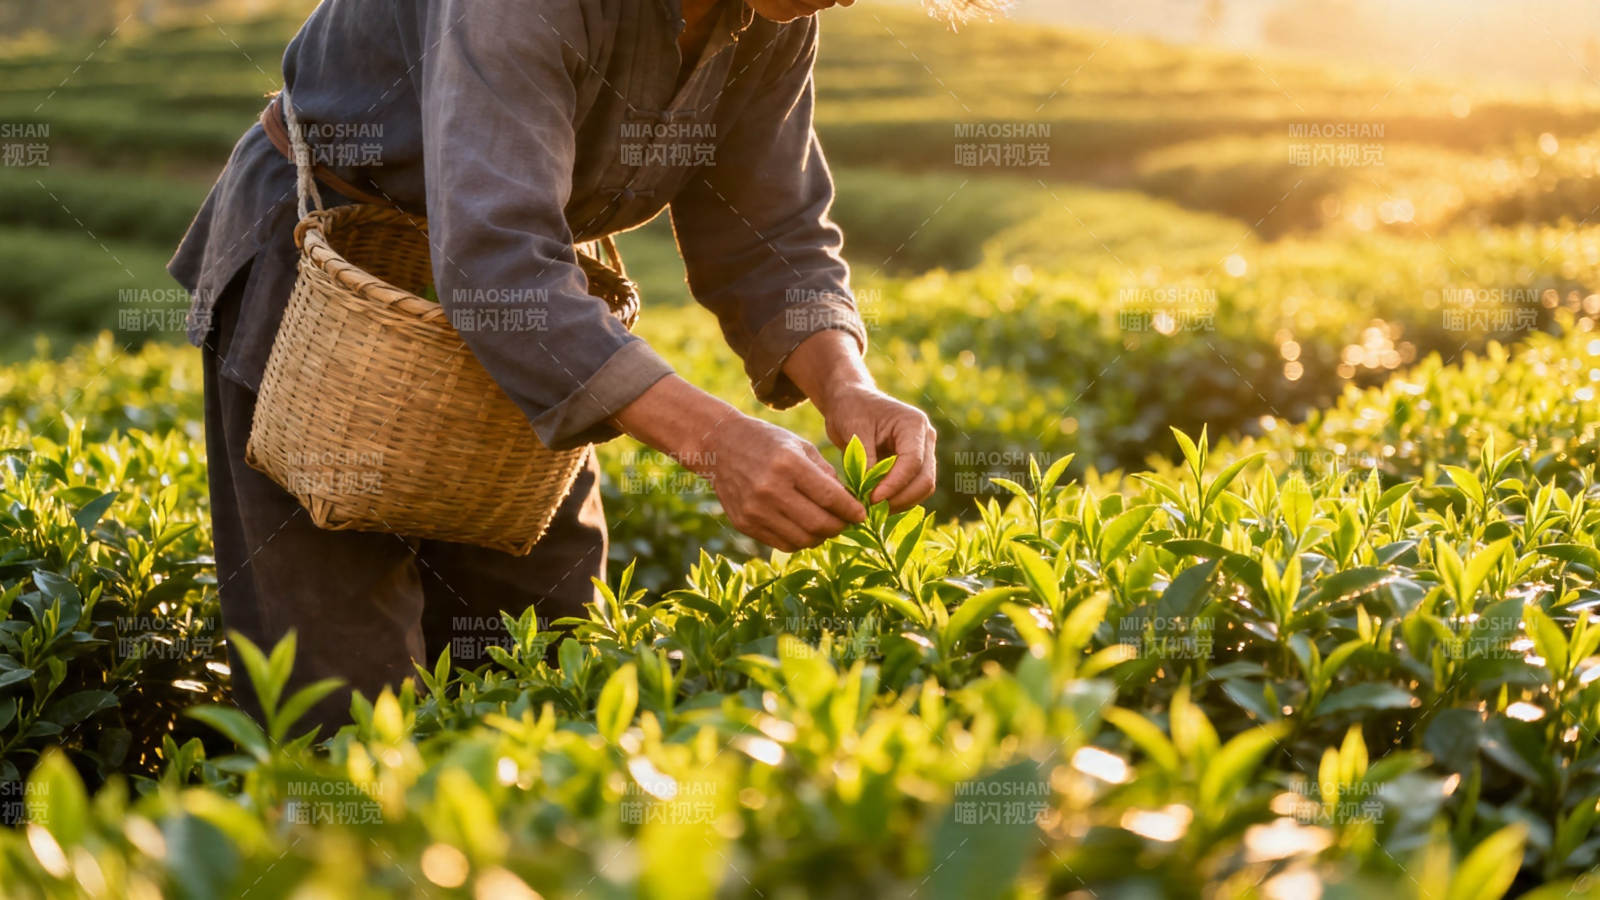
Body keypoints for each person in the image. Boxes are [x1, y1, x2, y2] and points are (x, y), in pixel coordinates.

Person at [169, 0, 949, 733]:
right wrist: (718, 443)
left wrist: (848, 385)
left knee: (547, 651)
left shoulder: (773, 17)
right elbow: (497, 262)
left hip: (532, 317)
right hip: (332, 280)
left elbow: (770, 232)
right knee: (338, 688)